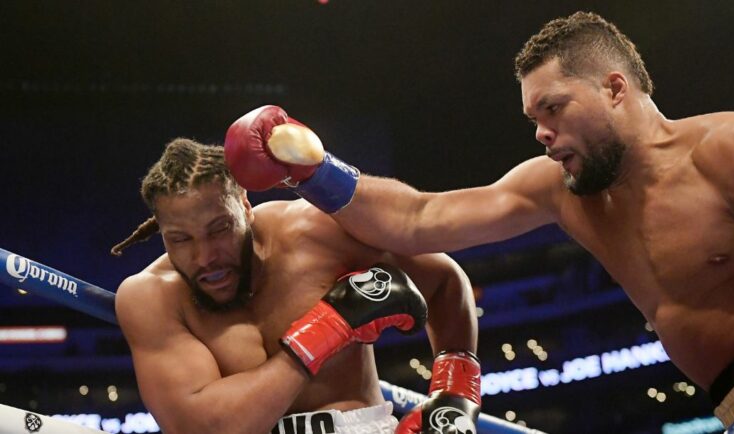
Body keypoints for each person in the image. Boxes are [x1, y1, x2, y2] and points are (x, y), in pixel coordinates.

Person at [222, 11, 734, 433]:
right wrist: (312, 170)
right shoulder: (559, 190)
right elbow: (420, 218)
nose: (541, 133)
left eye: (553, 108)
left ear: (615, 88)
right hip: (733, 405)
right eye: (534, 119)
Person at [110, 138, 481, 434]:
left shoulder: (316, 233)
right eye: (181, 239)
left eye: (219, 229)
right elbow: (204, 427)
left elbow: (444, 281)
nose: (205, 256)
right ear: (161, 233)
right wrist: (327, 327)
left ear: (245, 206)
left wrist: (455, 394)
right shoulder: (150, 296)